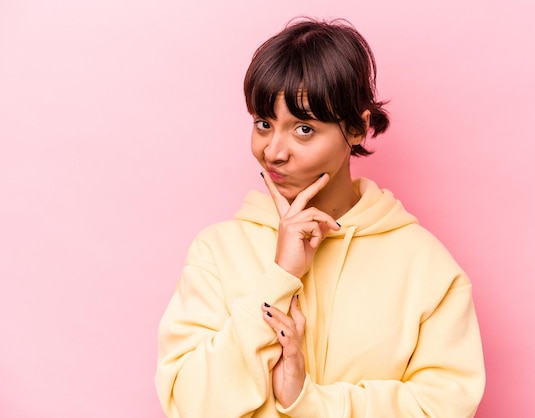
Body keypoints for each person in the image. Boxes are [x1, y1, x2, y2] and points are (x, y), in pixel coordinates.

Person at [155, 18, 485, 418]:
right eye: (264, 123)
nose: (274, 151)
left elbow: (444, 408)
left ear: (357, 129)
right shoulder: (216, 251)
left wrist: (308, 402)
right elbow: (188, 405)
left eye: (304, 129)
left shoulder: (426, 266)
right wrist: (278, 277)